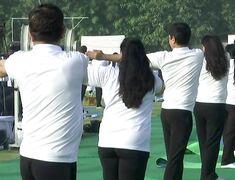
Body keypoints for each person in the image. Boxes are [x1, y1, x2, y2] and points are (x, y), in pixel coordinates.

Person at [0, 4, 88, 180]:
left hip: (29, 156)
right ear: (63, 32)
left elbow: (2, 68)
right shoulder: (77, 61)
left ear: (30, 35)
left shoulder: (19, 61)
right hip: (57, 159)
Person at [86, 37, 163, 180]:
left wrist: (102, 58)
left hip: (108, 140)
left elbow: (86, 74)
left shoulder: (108, 73)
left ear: (121, 54)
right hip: (135, 142)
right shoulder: (151, 79)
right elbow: (160, 87)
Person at [147, 22, 204, 180]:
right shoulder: (197, 55)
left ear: (171, 39)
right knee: (175, 158)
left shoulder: (163, 57)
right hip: (182, 113)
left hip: (167, 112)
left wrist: (103, 57)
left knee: (174, 156)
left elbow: (132, 58)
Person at [194, 35, 228, 180]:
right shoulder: (225, 58)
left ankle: (208, 174)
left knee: (204, 142)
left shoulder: (200, 59)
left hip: (200, 103)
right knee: (212, 143)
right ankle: (207, 175)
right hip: (217, 105)